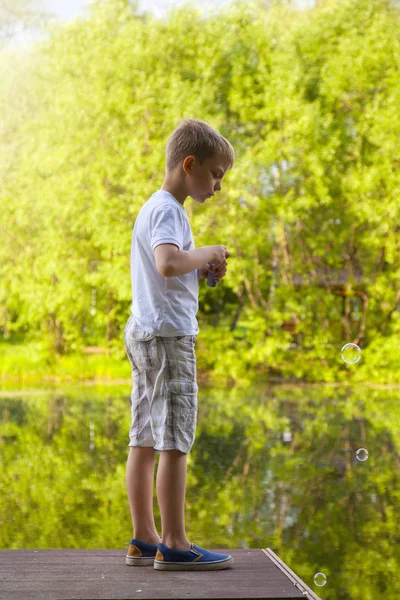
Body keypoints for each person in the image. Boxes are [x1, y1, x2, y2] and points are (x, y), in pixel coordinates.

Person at [123, 118, 235, 571]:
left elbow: (166, 268)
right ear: (189, 165)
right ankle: (174, 543)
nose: (218, 186)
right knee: (174, 439)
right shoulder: (171, 209)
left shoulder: (152, 208)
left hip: (145, 331)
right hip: (169, 337)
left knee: (144, 436)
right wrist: (207, 253)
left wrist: (200, 267)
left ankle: (144, 539)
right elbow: (168, 263)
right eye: (215, 175)